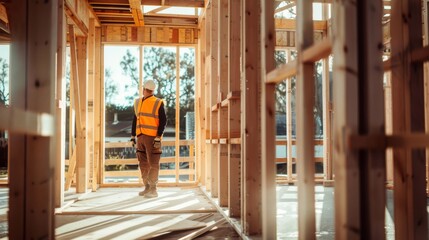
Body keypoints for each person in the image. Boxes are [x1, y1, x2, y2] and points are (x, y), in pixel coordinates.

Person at [130, 79, 167, 198]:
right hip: (140, 136)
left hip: (152, 138)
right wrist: (133, 136)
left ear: (144, 89)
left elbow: (163, 121)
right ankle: (147, 187)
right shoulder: (138, 102)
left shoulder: (158, 102)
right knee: (143, 163)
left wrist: (158, 137)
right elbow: (135, 119)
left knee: (153, 163)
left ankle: (153, 189)